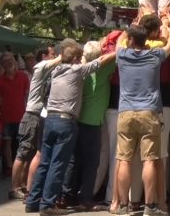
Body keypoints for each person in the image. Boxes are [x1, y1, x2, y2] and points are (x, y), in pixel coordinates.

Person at [25, 41, 116, 215]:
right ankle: (48, 205)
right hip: (65, 121)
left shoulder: (55, 70)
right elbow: (101, 61)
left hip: (49, 119)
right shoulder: (76, 71)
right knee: (58, 164)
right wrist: (118, 50)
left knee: (45, 162)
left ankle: (33, 201)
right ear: (75, 59)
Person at [114, 18, 170, 216]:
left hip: (125, 112)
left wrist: (134, 23)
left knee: (124, 160)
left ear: (131, 40)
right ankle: (150, 207)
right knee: (150, 160)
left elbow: (120, 39)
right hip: (149, 111)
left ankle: (123, 206)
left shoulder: (122, 54)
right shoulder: (155, 55)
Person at [62, 40, 117, 211]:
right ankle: (85, 198)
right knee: (91, 163)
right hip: (93, 122)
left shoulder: (79, 70)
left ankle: (66, 196)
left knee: (74, 161)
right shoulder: (102, 69)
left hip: (77, 120)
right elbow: (118, 52)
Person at [9, 45, 59, 200]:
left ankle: (23, 185)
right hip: (31, 115)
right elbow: (57, 61)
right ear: (44, 56)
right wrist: (66, 54)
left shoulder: (45, 70)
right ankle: (13, 188)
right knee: (23, 152)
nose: (55, 55)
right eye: (52, 53)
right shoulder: (41, 66)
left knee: (30, 153)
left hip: (38, 115)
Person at [0, 51, 30, 177]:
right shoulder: (0, 81)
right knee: (7, 142)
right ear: (2, 65)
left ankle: (19, 169)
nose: (8, 63)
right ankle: (9, 167)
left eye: (10, 60)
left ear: (14, 61)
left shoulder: (23, 77)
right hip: (6, 116)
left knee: (21, 143)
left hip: (21, 116)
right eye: (5, 62)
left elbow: (27, 96)